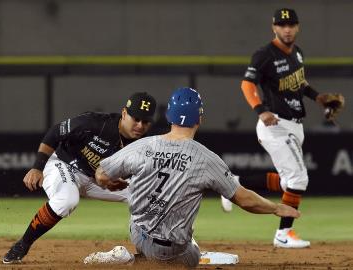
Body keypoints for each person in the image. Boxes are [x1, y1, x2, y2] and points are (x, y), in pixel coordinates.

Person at [93, 87, 300, 267]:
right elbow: (243, 199)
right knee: (192, 256)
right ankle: (132, 261)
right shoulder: (205, 159)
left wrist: (110, 184)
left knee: (146, 221)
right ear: (199, 119)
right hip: (171, 249)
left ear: (169, 116)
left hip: (137, 232)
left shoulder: (143, 145)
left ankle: (136, 257)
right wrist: (276, 208)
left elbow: (101, 173)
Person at [2, 92, 157, 264]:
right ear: (124, 113)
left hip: (96, 180)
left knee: (150, 197)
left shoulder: (145, 144)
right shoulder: (96, 123)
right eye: (136, 119)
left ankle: (148, 253)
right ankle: (22, 244)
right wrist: (37, 167)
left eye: (145, 121)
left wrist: (112, 181)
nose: (140, 125)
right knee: (67, 200)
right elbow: (55, 132)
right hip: (64, 165)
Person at [240, 8, 343, 248]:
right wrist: (260, 110)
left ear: (297, 27)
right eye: (282, 25)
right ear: (274, 27)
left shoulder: (297, 54)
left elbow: (300, 83)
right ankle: (283, 233)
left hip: (295, 125)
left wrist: (318, 98)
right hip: (275, 123)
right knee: (299, 177)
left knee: (289, 181)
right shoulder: (264, 54)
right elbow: (246, 85)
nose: (287, 29)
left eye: (291, 24)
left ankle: (233, 184)